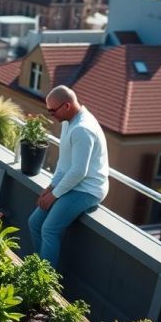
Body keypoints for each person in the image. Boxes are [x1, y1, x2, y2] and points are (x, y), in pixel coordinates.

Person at [28, 85, 109, 268]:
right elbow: (64, 164)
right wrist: (50, 188)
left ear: (66, 106)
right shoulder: (68, 122)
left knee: (49, 229)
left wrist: (54, 196)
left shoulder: (82, 129)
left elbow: (79, 171)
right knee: (34, 222)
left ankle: (44, 281)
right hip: (72, 184)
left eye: (52, 110)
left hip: (87, 189)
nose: (50, 114)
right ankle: (38, 267)